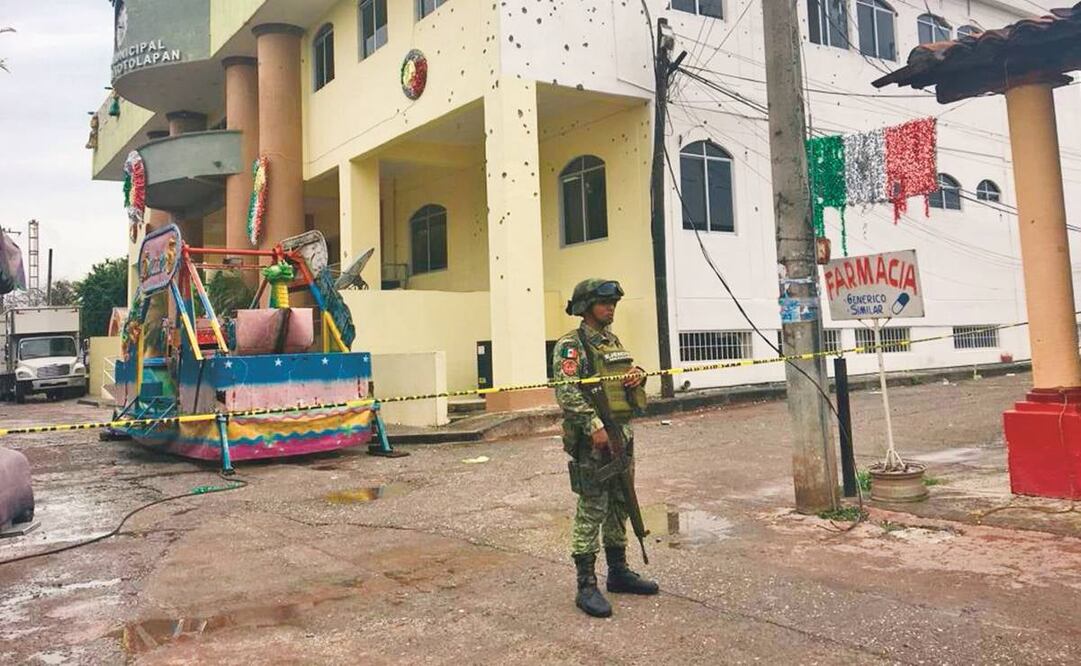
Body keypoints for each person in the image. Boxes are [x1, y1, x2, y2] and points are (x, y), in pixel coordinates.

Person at [552, 278, 659, 618]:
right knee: (592, 508)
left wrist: (636, 375)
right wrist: (592, 425)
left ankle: (618, 571)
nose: (610, 307)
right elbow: (567, 391)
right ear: (585, 306)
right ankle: (586, 585)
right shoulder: (572, 345)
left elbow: (621, 375)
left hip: (621, 435)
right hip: (593, 440)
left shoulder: (611, 341)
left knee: (620, 504)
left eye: (613, 302)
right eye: (603, 302)